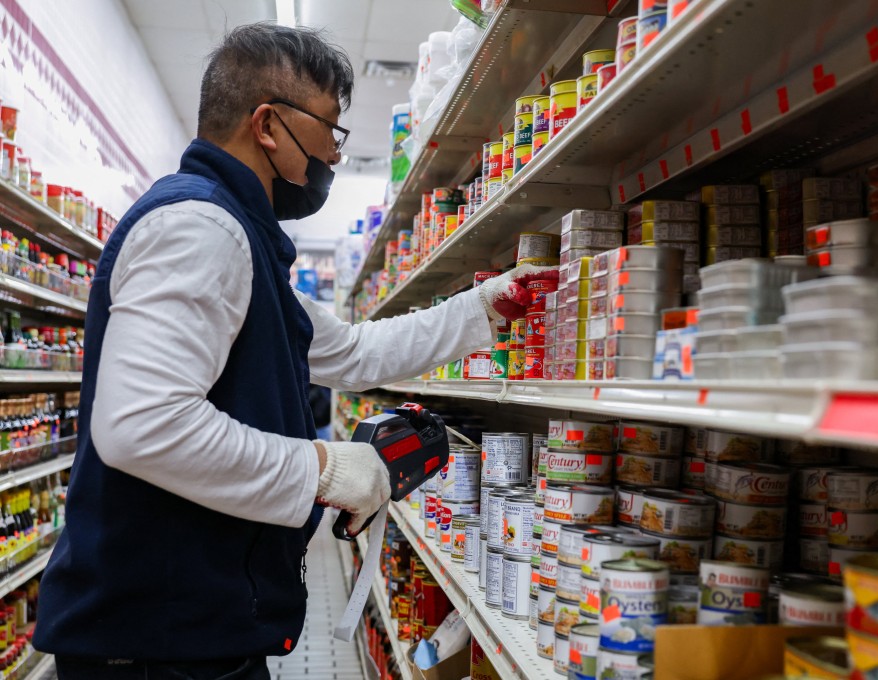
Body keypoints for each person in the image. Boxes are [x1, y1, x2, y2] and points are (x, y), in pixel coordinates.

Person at [34, 22, 554, 680]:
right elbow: (141, 426)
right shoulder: (200, 228)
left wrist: (482, 309)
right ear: (269, 125)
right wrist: (322, 469)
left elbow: (356, 352)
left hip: (181, 630)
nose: (335, 157)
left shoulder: (239, 242)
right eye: (330, 132)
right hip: (157, 644)